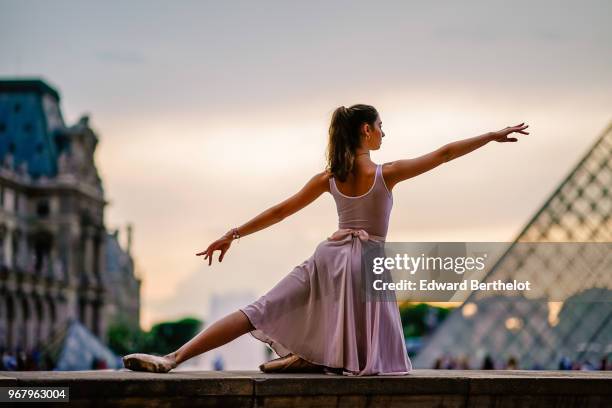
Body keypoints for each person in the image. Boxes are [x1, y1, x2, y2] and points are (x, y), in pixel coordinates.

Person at [122, 104, 529, 375]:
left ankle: (173, 357)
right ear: (366, 130)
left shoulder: (329, 176)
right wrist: (491, 135)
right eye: (381, 127)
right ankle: (307, 358)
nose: (384, 134)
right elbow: (443, 154)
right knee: (354, 339)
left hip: (329, 257)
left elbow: (280, 211)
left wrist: (232, 234)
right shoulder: (385, 174)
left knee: (258, 310)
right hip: (367, 262)